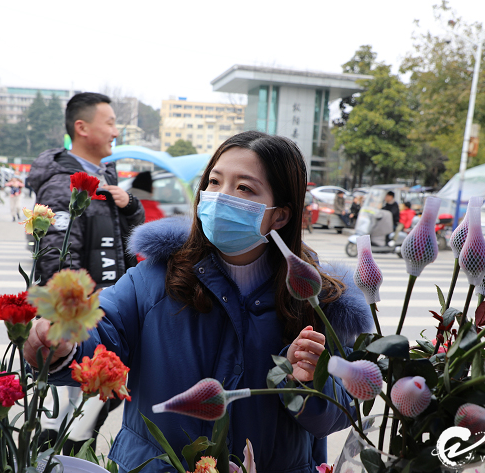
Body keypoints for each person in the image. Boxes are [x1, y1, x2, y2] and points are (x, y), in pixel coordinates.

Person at [24, 131, 373, 472]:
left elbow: (342, 411)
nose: (220, 197)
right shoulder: (156, 277)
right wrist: (60, 347)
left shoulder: (317, 300)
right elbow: (102, 333)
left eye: (244, 188)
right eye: (215, 182)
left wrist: (309, 383)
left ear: (279, 215)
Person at [27, 92, 145, 456]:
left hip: (109, 308)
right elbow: (55, 257)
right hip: (84, 320)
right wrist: (74, 321)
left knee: (96, 403)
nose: (115, 130)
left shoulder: (104, 174)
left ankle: (62, 453)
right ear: (82, 128)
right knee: (79, 411)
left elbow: (129, 238)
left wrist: (130, 207)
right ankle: (53, 457)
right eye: (109, 122)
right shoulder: (66, 182)